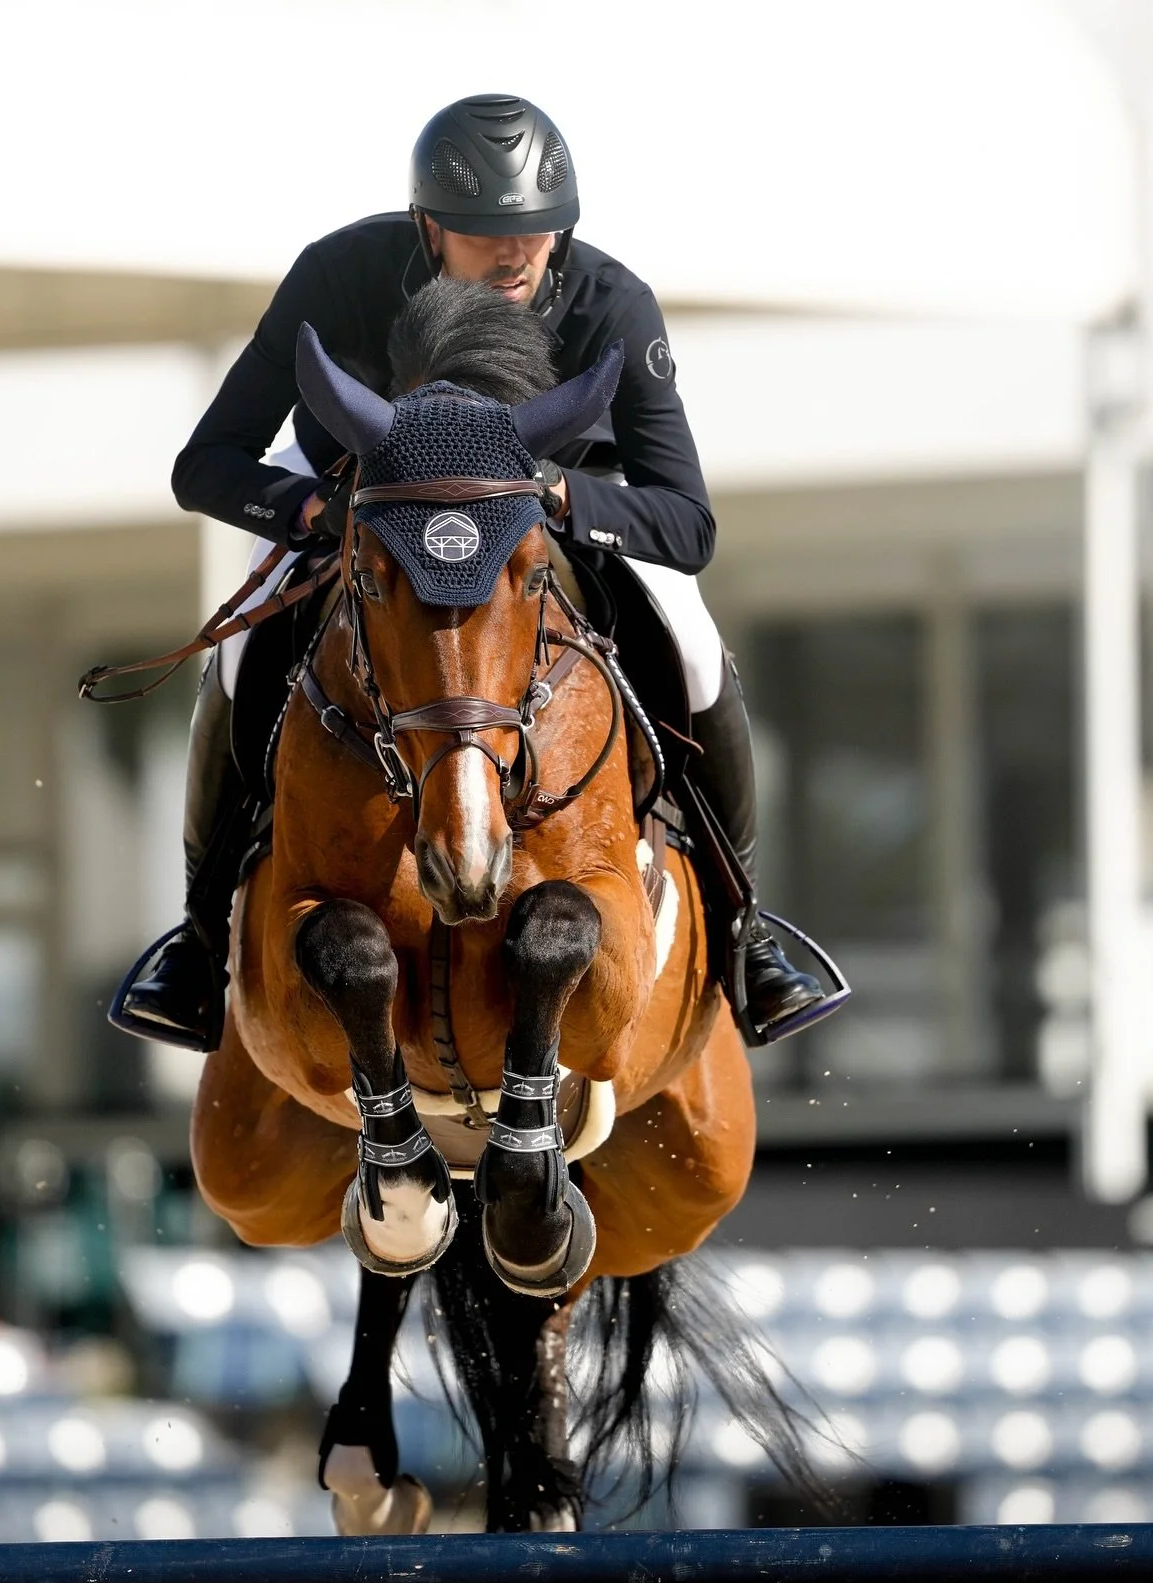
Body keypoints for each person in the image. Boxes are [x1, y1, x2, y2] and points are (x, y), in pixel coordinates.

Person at [115, 93, 839, 1051]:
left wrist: (560, 495)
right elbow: (205, 465)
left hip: (553, 515)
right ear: (428, 226)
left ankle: (745, 931)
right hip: (359, 513)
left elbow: (688, 522)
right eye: (485, 234)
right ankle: (203, 938)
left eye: (537, 231)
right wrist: (316, 513)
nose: (515, 255)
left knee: (695, 647)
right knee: (243, 655)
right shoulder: (338, 275)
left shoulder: (612, 303)